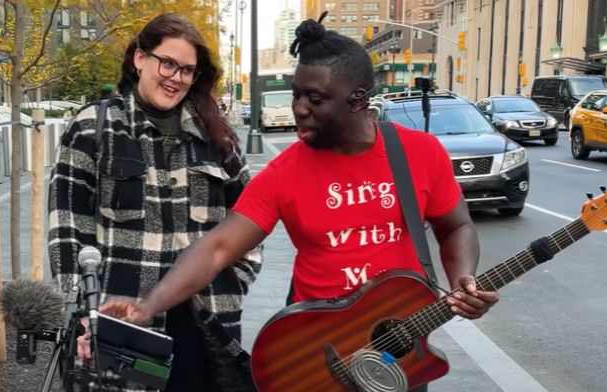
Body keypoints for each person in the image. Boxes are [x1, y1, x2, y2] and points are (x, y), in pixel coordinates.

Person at [101, 14, 499, 392]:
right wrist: (148, 305)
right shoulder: (286, 171)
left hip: (399, 349)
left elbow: (457, 226)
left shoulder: (420, 153)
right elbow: (217, 247)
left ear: (357, 99)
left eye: (315, 98)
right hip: (315, 356)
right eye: (296, 95)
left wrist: (464, 279)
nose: (298, 109)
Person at [47, 13, 260, 392]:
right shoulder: (93, 128)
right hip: (121, 326)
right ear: (140, 59)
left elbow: (250, 223)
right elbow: (67, 232)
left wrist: (231, 284)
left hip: (204, 326)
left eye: (187, 70)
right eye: (168, 62)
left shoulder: (216, 137)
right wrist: (85, 313)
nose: (176, 77)